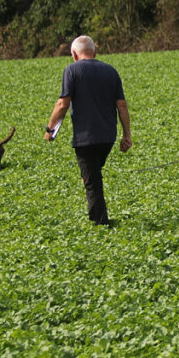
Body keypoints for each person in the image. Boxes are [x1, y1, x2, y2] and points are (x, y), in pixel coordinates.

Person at [45, 35, 132, 225]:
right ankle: (98, 216)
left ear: (74, 54)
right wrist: (127, 135)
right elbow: (122, 105)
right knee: (91, 175)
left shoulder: (72, 70)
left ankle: (100, 223)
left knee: (92, 182)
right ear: (95, 52)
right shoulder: (111, 71)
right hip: (108, 137)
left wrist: (50, 129)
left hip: (85, 138)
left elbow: (62, 104)